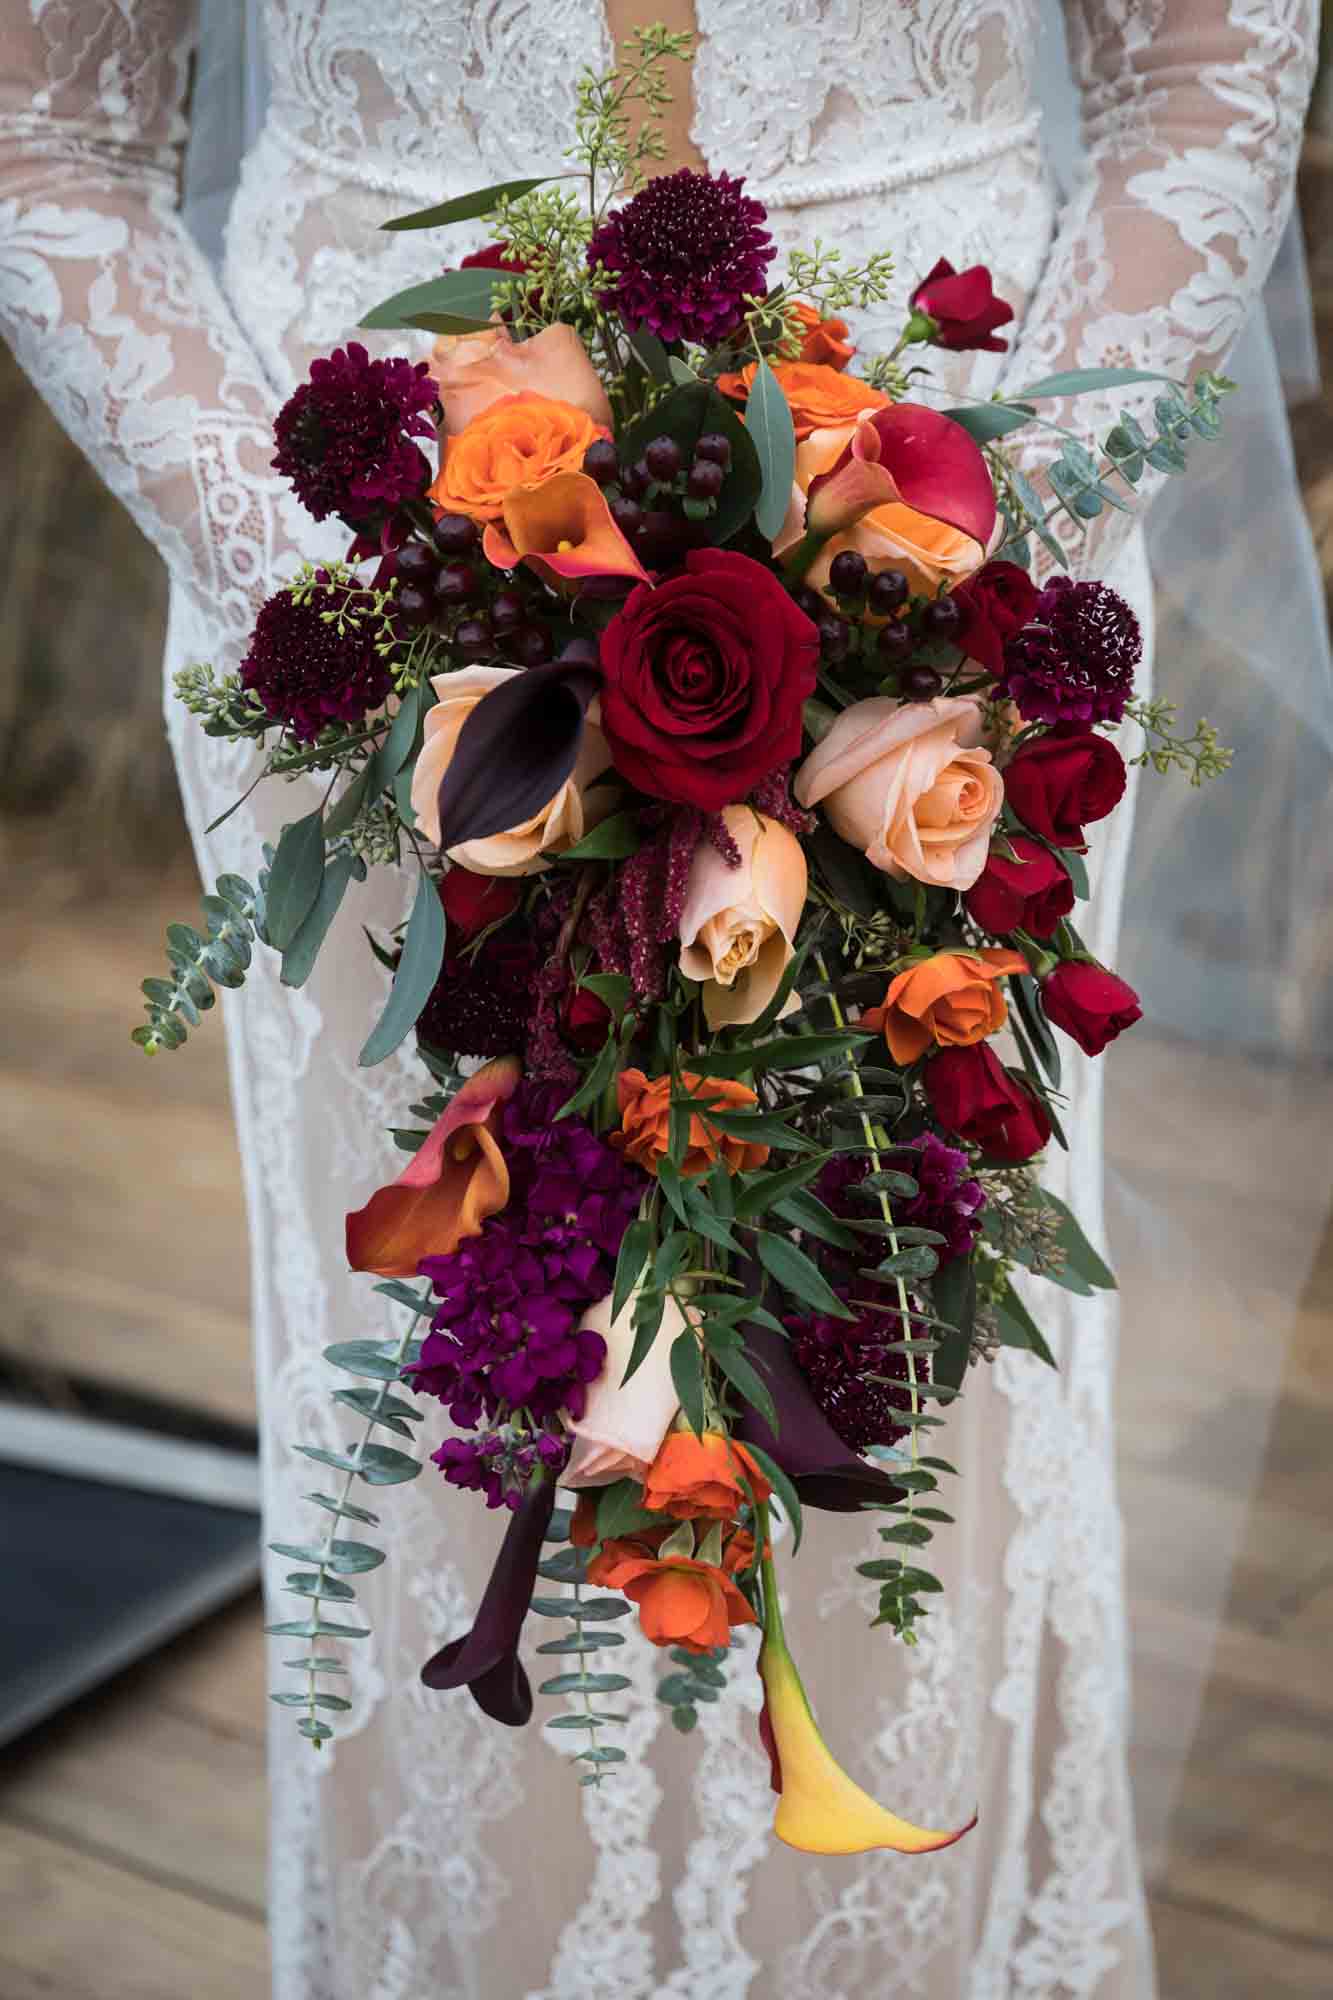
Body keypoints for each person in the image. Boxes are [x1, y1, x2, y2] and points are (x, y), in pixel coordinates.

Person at [0, 4, 1322, 1995]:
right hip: (367, 600)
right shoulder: (348, 615)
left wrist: (975, 561)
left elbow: (1202, 66)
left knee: (905, 1346)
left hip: (946, 581)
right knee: (454, 1390)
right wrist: (339, 610)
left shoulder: (965, 589)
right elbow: (47, 130)